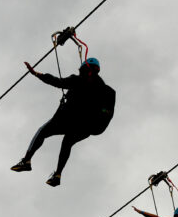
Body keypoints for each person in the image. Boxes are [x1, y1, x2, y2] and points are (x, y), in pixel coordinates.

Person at [10, 57, 114, 187]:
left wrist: (37, 74)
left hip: (72, 121)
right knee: (67, 141)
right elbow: (107, 114)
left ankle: (27, 161)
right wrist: (94, 126)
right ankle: (57, 175)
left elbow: (57, 82)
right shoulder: (106, 90)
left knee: (43, 131)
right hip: (84, 125)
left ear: (85, 70)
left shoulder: (80, 81)